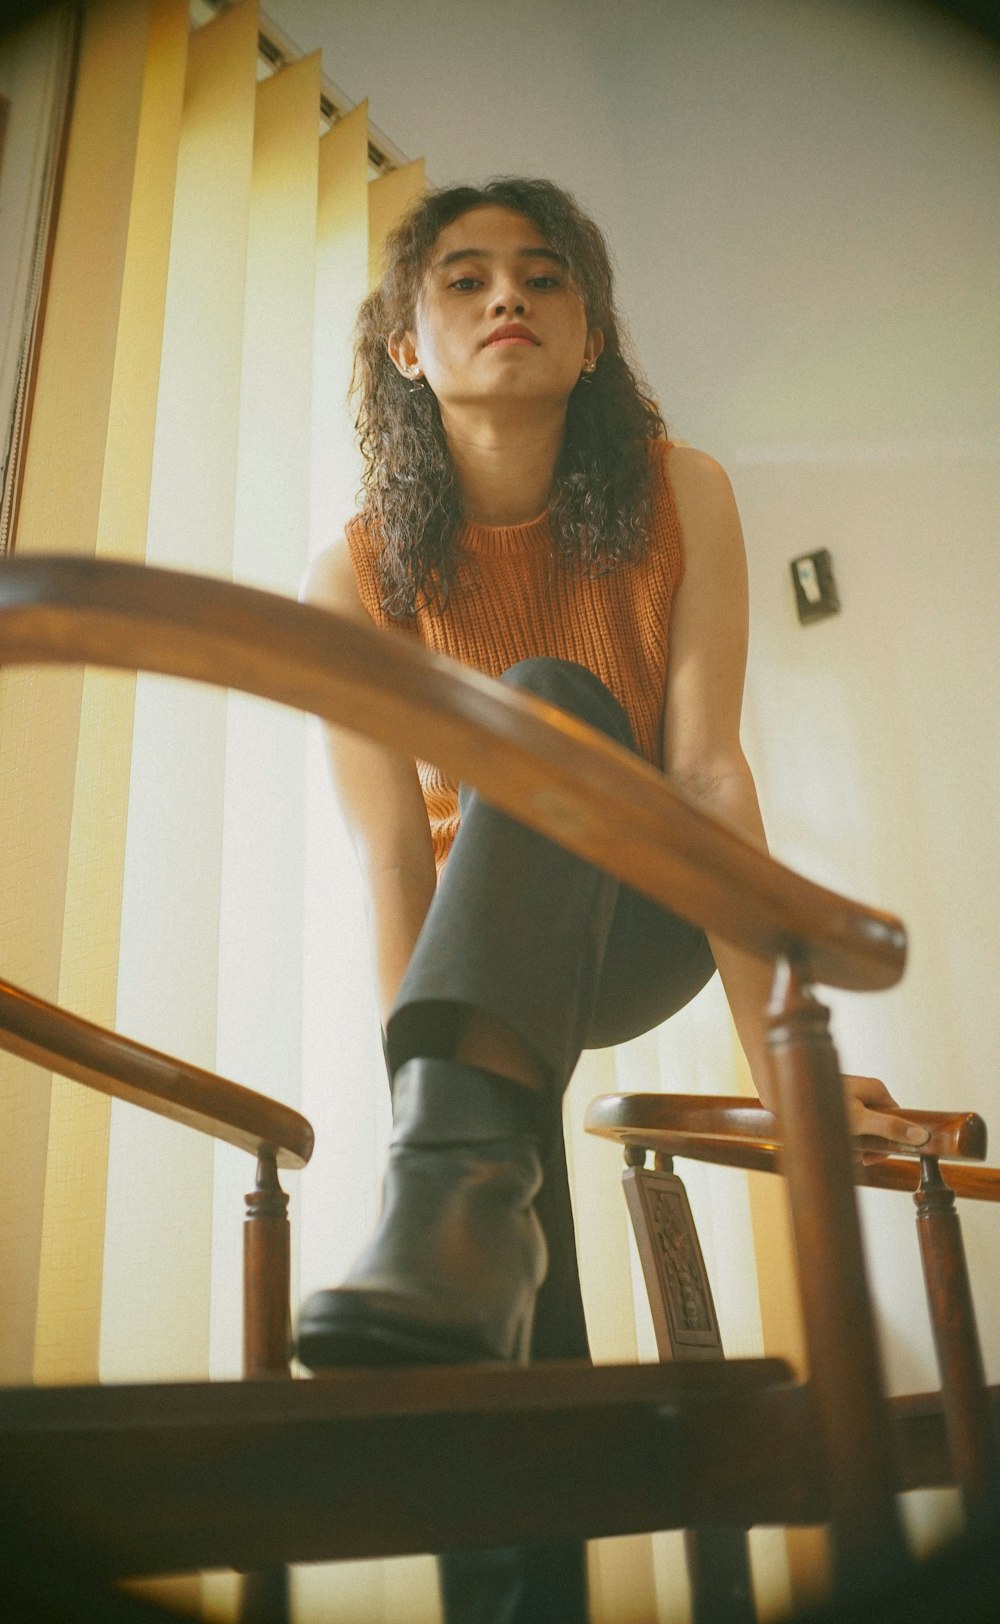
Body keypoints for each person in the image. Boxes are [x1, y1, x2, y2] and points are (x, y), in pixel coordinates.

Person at [296, 177, 928, 1623]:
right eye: (461, 280)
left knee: (551, 702)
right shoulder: (358, 570)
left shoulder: (675, 490)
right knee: (474, 1276)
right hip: (481, 948)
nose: (506, 296)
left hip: (643, 912)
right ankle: (458, 1219)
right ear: (405, 345)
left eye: (544, 276)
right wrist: (426, 1106)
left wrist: (791, 1057)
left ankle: (447, 1195)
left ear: (589, 337)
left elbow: (706, 775)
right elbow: (397, 856)